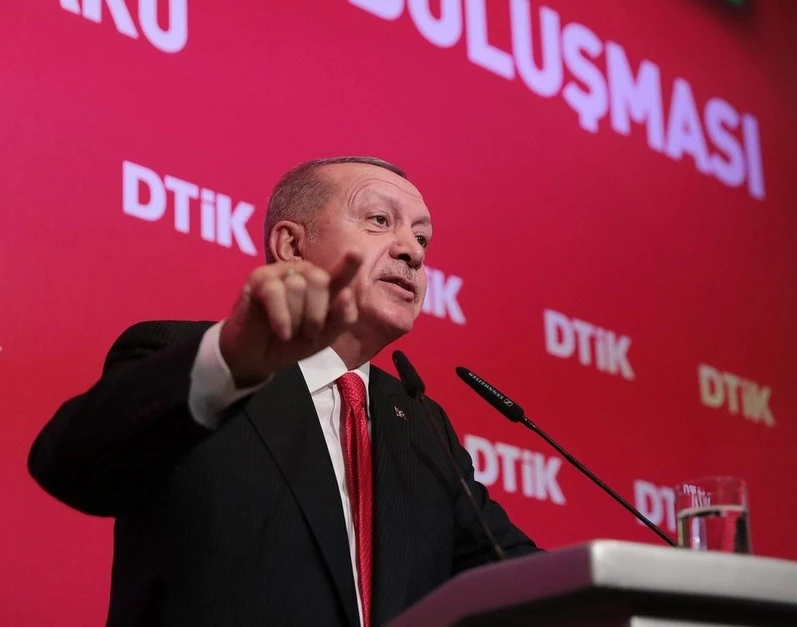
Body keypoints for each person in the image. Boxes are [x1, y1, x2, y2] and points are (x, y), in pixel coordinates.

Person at [28, 156, 539, 627]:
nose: (413, 251)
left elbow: (517, 578)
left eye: (422, 238)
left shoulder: (420, 423)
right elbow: (72, 466)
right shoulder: (192, 360)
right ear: (291, 246)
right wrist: (228, 364)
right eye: (380, 220)